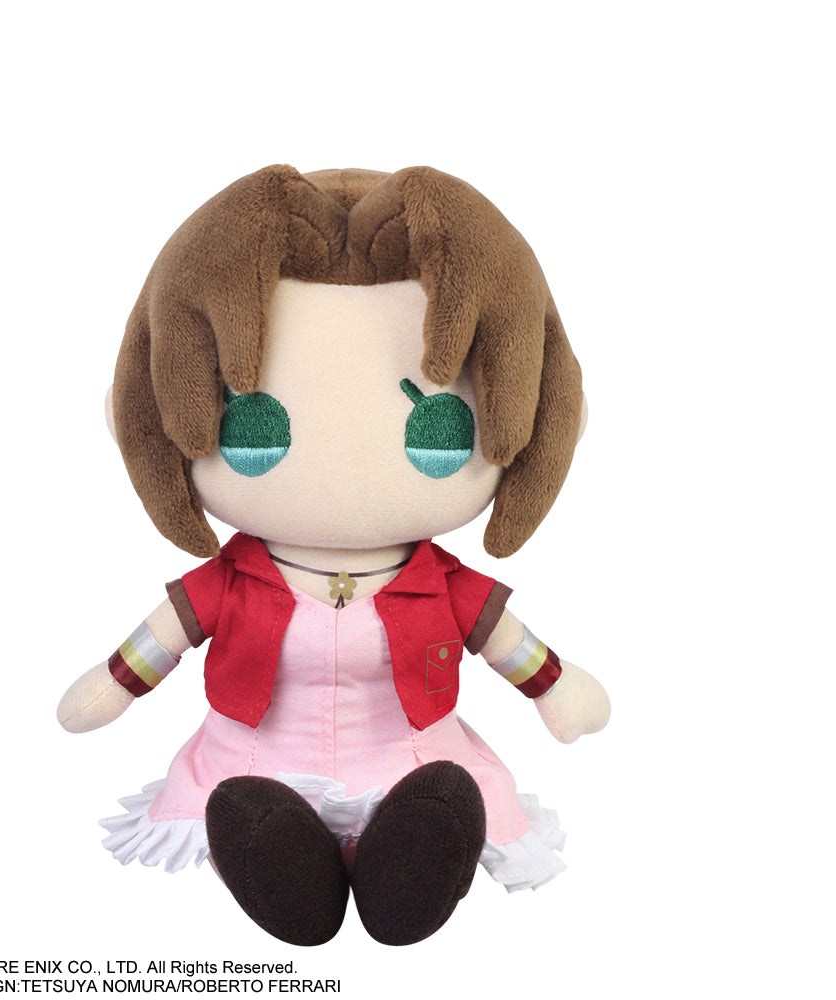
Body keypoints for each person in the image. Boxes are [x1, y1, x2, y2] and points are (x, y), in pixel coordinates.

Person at [57, 165, 610, 946]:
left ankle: (412, 855)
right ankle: (280, 860)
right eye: (253, 427)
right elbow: (161, 640)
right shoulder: (233, 580)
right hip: (258, 764)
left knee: (436, 803)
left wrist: (557, 687)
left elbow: (508, 645)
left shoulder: (442, 586)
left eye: (438, 432)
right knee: (251, 813)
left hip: (410, 763)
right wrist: (112, 686)